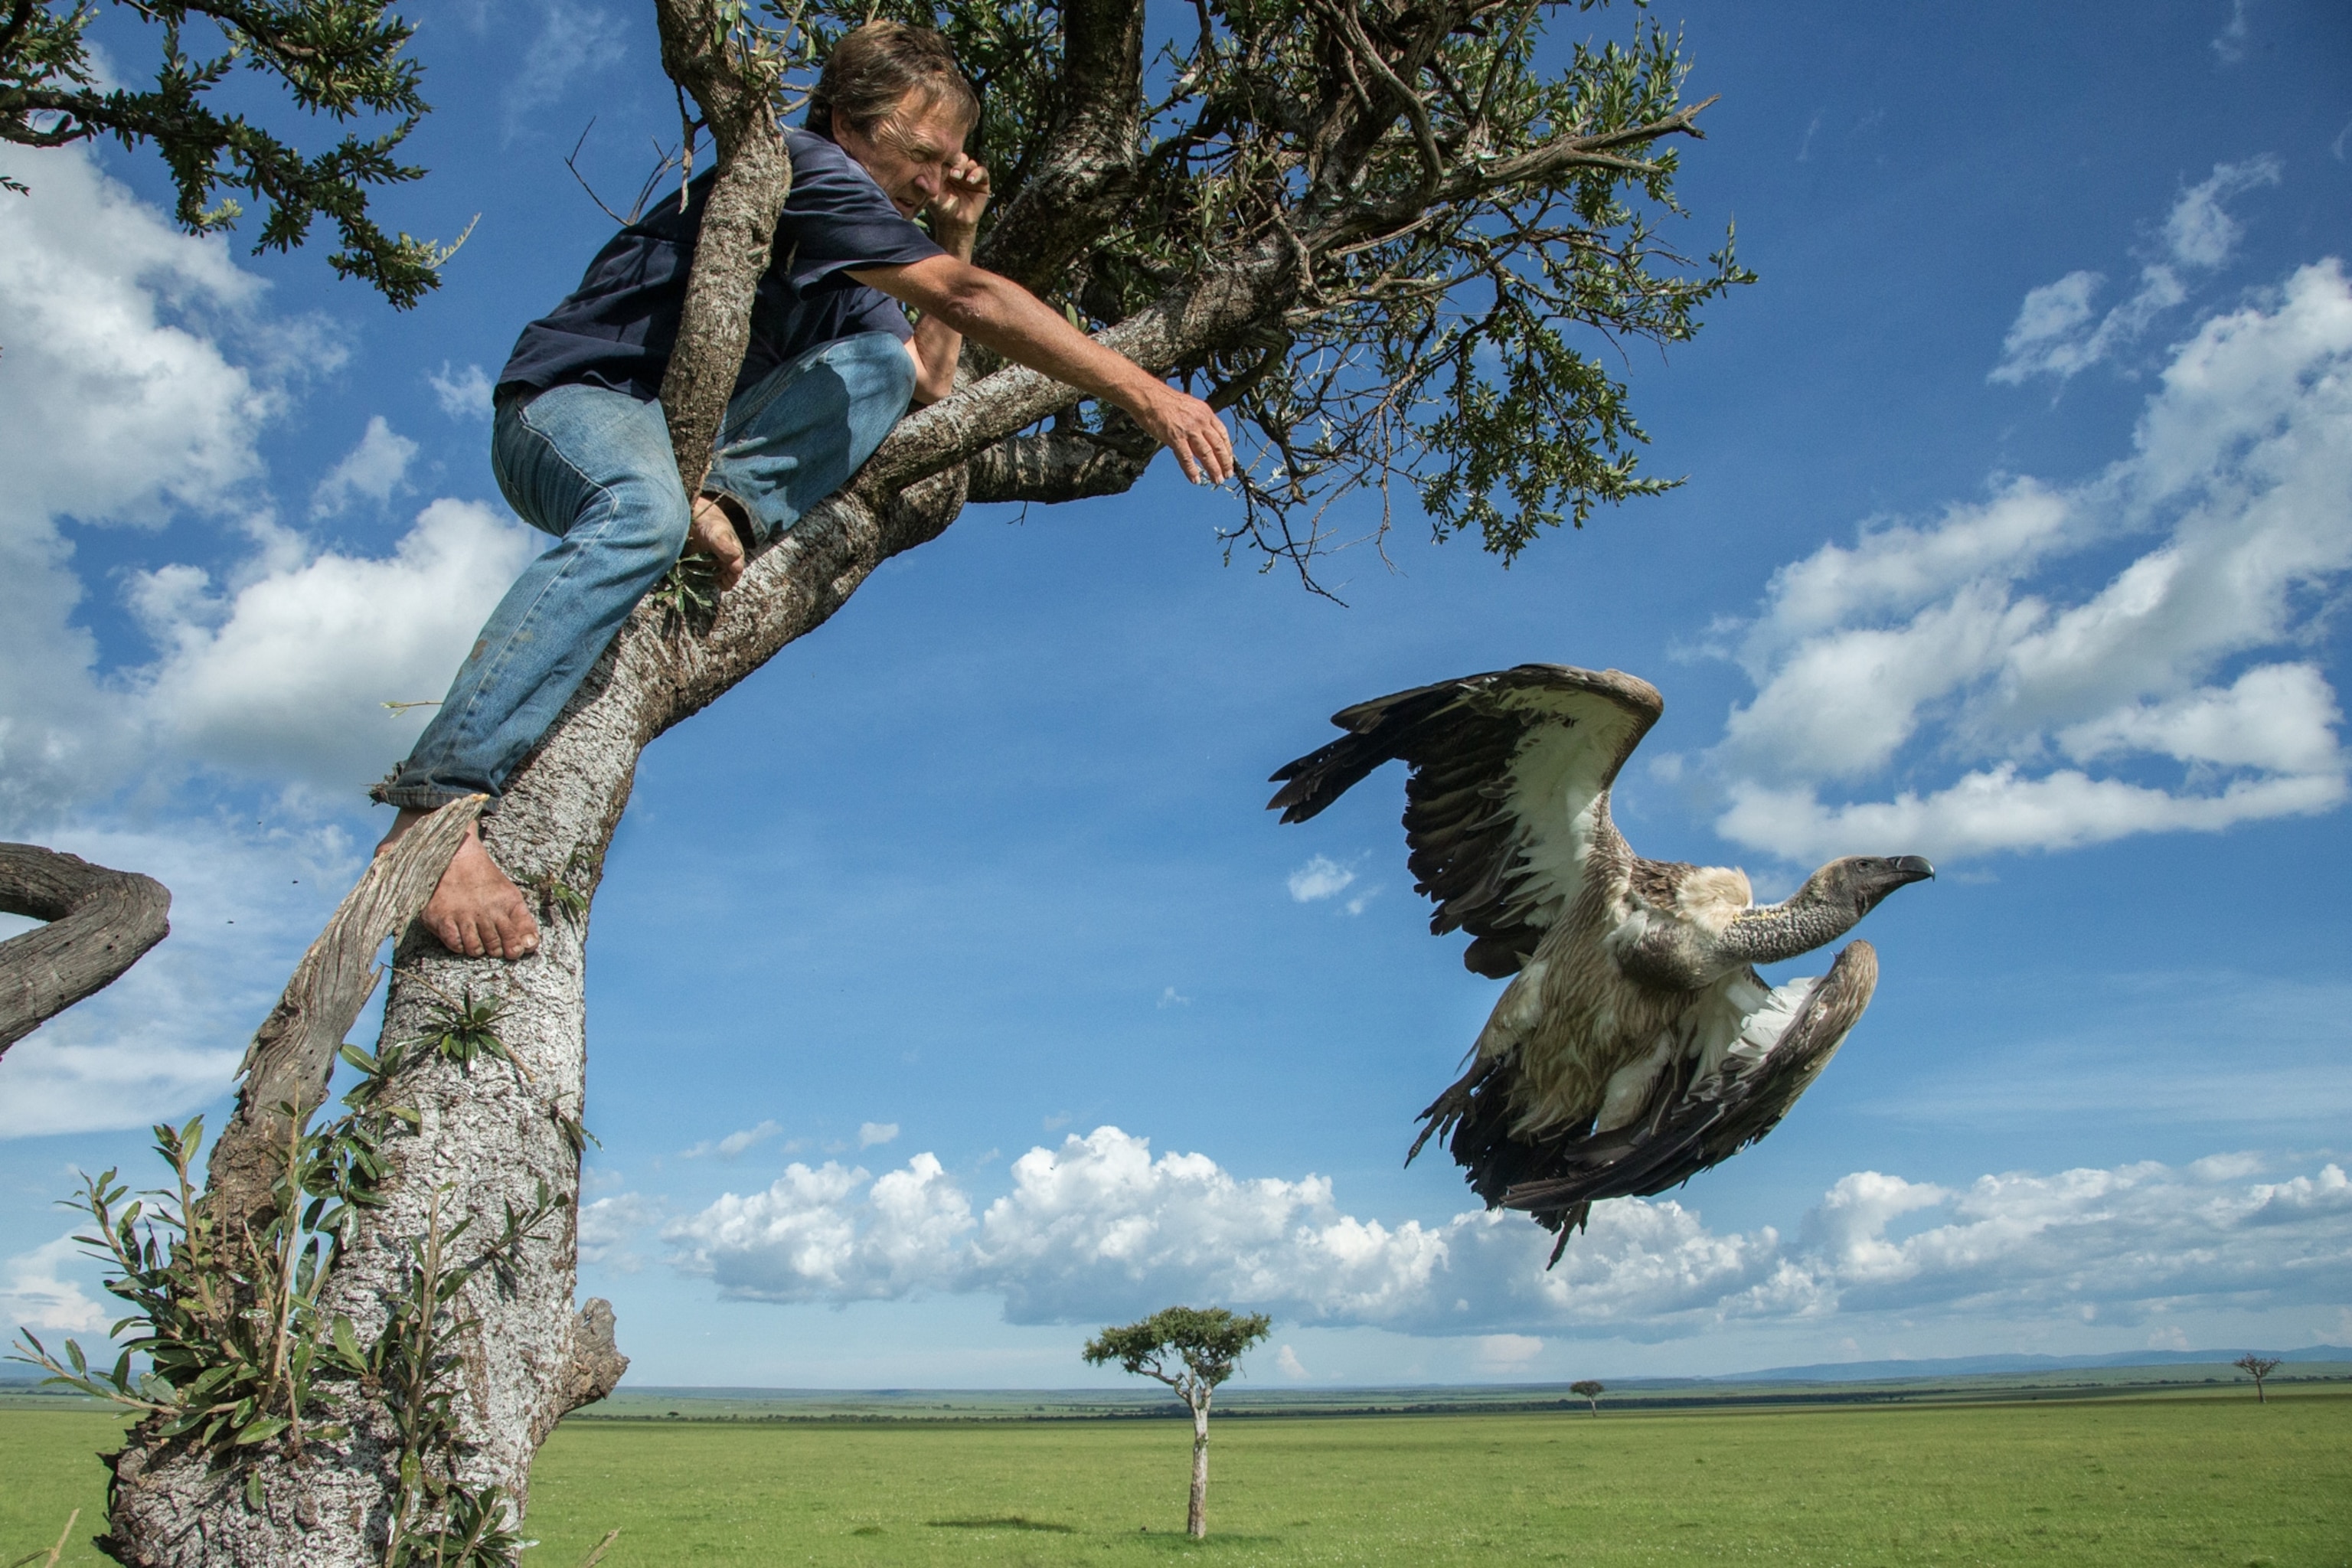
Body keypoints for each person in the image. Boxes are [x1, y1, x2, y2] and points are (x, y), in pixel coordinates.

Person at [372, 21, 1233, 960]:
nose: (938, 176)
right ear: (848, 123)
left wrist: (959, 225)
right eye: (921, 153)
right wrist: (1141, 387)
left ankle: (727, 507)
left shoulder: (863, 245)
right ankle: (433, 808)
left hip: (682, 446)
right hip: (575, 407)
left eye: (954, 160)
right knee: (641, 513)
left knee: (879, 368)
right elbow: (969, 300)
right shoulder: (806, 167)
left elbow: (930, 381)